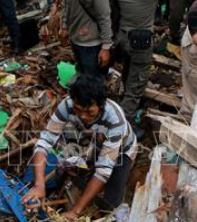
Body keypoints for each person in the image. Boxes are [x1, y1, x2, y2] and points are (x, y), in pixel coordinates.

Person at [22, 75, 137, 217]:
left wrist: (75, 211)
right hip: (92, 142)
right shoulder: (67, 105)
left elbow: (103, 171)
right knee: (76, 174)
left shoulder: (115, 120)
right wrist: (39, 185)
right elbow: (44, 141)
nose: (83, 116)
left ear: (101, 106)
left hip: (122, 150)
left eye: (89, 112)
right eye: (78, 110)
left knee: (111, 203)